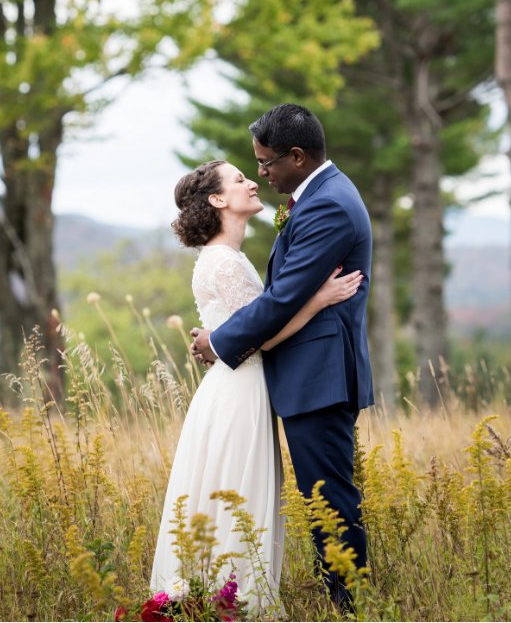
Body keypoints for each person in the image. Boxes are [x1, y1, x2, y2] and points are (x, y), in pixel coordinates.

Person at [148, 158, 364, 612]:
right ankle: (234, 601)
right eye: (240, 178)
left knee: (230, 491)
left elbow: (253, 325)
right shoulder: (224, 262)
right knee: (238, 492)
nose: (252, 181)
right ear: (217, 199)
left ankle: (215, 597)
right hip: (239, 392)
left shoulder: (228, 257)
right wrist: (319, 298)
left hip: (237, 387)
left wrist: (221, 339)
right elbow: (261, 336)